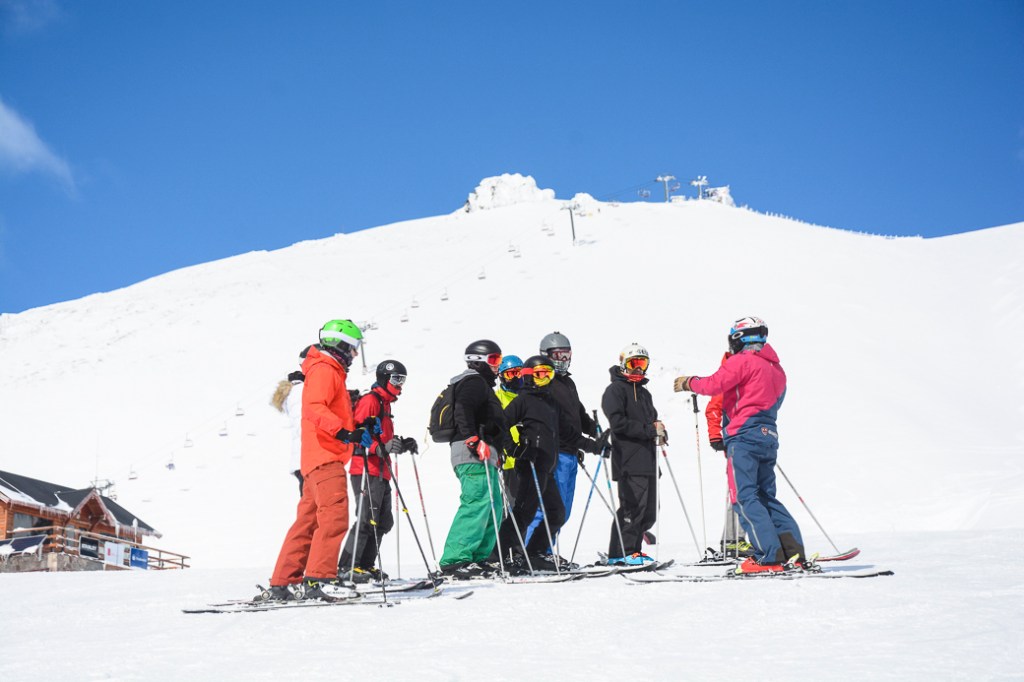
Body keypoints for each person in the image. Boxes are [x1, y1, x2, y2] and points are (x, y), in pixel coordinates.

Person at [674, 316, 808, 574]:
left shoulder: (741, 361)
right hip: (768, 434)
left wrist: (689, 382)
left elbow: (715, 385)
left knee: (744, 496)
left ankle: (768, 556)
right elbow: (776, 402)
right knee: (766, 496)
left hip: (743, 436)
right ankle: (793, 552)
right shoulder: (777, 370)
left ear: (739, 338)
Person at [264, 319, 371, 601]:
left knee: (307, 522)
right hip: (325, 456)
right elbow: (313, 408)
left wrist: (355, 430)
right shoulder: (325, 369)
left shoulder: (323, 369)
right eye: (353, 347)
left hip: (314, 459)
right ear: (340, 345)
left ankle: (283, 582)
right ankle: (319, 580)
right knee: (334, 518)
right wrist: (345, 432)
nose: (355, 354)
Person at [338, 360, 418, 584]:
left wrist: (401, 443)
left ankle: (365, 565)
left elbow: (381, 439)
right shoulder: (370, 401)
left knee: (383, 521)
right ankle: (347, 566)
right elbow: (356, 436)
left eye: (402, 380)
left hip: (381, 470)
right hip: (364, 468)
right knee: (366, 518)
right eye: (396, 379)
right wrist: (380, 448)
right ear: (384, 378)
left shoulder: (385, 404)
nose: (399, 384)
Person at [438, 340, 511, 580]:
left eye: (498, 360)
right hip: (471, 451)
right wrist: (472, 439)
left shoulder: (483, 385)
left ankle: (479, 557)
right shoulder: (473, 382)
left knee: (494, 506)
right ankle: (456, 559)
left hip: (484, 452)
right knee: (477, 502)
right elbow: (463, 409)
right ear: (478, 361)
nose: (497, 366)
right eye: (493, 360)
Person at [495, 356, 572, 572]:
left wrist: (594, 445)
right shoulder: (520, 399)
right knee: (523, 513)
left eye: (549, 373)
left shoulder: (550, 403)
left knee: (556, 513)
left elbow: (568, 433)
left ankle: (534, 553)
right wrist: (514, 449)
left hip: (545, 466)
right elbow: (500, 424)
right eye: (539, 374)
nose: (545, 378)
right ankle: (500, 556)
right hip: (524, 463)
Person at [524, 332, 597, 551]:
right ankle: (531, 553)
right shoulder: (546, 384)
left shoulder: (568, 383)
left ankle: (545, 551)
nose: (563, 361)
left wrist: (596, 431)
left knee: (562, 510)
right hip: (553, 453)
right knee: (546, 508)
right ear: (545, 355)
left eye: (567, 355)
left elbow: (579, 415)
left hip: (570, 453)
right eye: (558, 355)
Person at [601, 343, 665, 565]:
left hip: (648, 460)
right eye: (633, 364)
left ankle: (633, 551)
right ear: (623, 364)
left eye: (642, 364)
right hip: (629, 460)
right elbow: (618, 423)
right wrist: (649, 430)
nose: (638, 369)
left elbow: (651, 420)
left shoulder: (645, 394)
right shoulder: (615, 391)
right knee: (632, 508)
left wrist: (659, 429)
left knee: (649, 512)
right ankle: (621, 552)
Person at [705, 351, 753, 558]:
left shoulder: (750, 373)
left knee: (752, 490)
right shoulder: (729, 372)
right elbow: (714, 407)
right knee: (740, 490)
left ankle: (739, 539)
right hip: (735, 440)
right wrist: (716, 436)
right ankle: (732, 541)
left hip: (752, 439)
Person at [494, 355, 525, 508]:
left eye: (518, 373)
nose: (515, 378)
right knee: (515, 505)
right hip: (510, 462)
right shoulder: (497, 399)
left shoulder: (529, 397)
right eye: (510, 374)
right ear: (501, 376)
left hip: (532, 458)